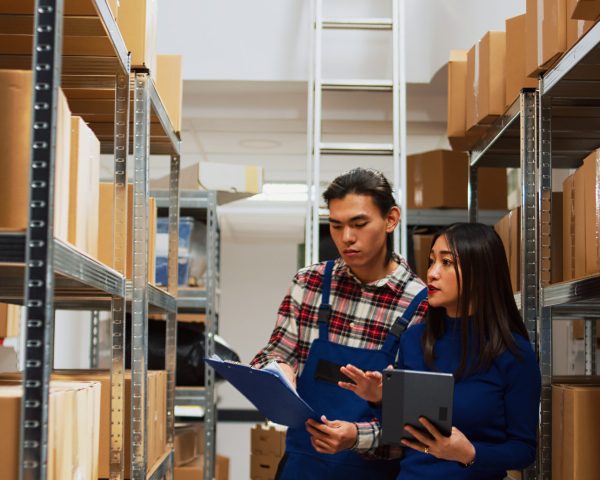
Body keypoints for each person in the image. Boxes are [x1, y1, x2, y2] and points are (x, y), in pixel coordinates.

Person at [250, 168, 428, 480]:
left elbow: (420, 416)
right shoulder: (310, 283)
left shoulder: (421, 304)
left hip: (373, 472)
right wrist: (277, 370)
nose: (346, 238)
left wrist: (356, 437)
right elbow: (274, 352)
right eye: (336, 225)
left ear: (391, 219)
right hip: (301, 467)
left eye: (359, 224)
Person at [337, 222, 541, 480]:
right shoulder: (414, 339)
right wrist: (379, 398)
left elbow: (523, 450)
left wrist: (469, 453)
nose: (431, 273)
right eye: (432, 261)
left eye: (446, 263)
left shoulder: (513, 352)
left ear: (480, 271)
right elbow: (403, 434)